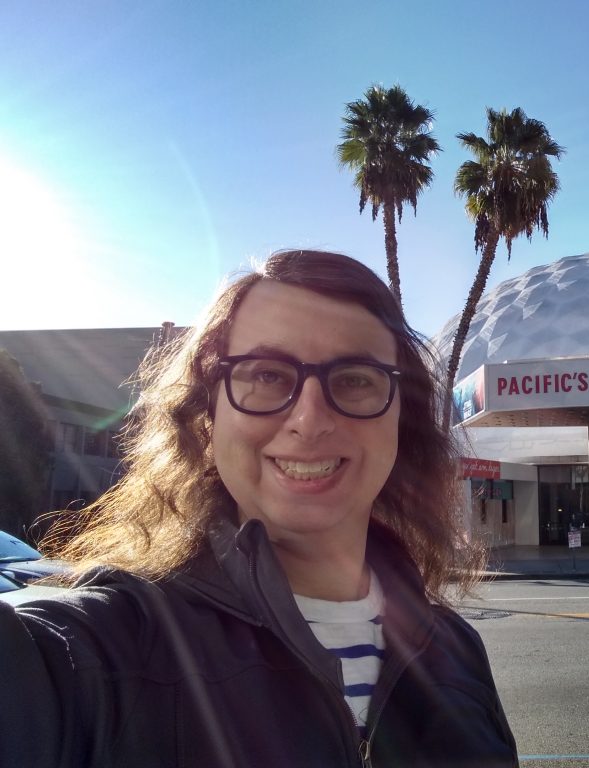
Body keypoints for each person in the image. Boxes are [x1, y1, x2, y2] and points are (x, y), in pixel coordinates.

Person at [1, 250, 519, 767]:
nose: (309, 420)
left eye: (356, 377)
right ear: (209, 413)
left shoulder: (458, 652)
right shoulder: (87, 653)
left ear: (401, 416)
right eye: (267, 375)